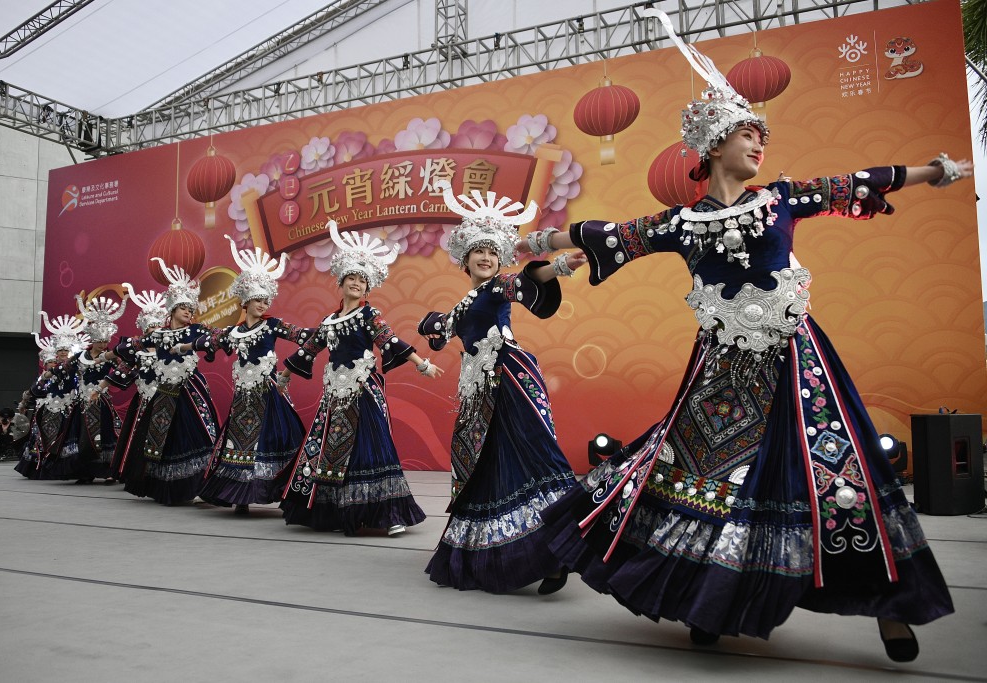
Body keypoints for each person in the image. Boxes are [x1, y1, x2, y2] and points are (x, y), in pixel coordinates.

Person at [535, 10, 969, 663]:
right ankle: (703, 599)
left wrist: (932, 171)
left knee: (838, 478)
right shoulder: (681, 223)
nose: (759, 144)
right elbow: (607, 234)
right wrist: (537, 242)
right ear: (713, 147)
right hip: (720, 376)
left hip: (799, 366)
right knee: (701, 481)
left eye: (761, 134)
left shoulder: (782, 199)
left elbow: (859, 182)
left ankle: (893, 608)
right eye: (746, 134)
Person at [419, 180, 585, 594]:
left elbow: (526, 283)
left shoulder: (498, 286)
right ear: (465, 260)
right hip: (477, 393)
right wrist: (430, 324)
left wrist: (561, 265)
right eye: (480, 250)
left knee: (533, 458)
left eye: (494, 251)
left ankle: (557, 549)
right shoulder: (461, 305)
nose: (487, 256)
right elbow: (436, 331)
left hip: (509, 378)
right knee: (482, 468)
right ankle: (504, 554)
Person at [281, 221, 442, 536]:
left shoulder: (370, 315)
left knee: (373, 446)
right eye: (351, 278)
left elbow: (390, 341)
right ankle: (337, 511)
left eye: (361, 280)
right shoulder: (328, 321)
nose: (356, 283)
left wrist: (421, 364)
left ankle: (390, 512)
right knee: (329, 449)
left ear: (368, 288)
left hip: (363, 389)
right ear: (341, 283)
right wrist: (285, 375)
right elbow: (309, 350)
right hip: (334, 395)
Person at [192, 236, 310, 513]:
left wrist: (329, 331)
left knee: (278, 438)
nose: (262, 304)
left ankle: (279, 489)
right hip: (243, 397)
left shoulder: (273, 326)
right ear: (245, 301)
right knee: (238, 444)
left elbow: (301, 335)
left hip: (268, 392)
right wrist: (184, 344)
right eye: (257, 300)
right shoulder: (233, 332)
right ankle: (239, 498)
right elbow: (210, 342)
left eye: (265, 299)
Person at [118, 265, 219, 505]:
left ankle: (198, 483)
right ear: (173, 309)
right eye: (184, 308)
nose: (188, 312)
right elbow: (127, 348)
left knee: (198, 434)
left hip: (190, 389)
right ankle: (168, 487)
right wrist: (107, 355)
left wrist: (204, 343)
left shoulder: (196, 329)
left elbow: (216, 339)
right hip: (164, 392)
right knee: (163, 438)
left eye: (191, 309)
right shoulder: (159, 335)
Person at [44, 294, 127, 484]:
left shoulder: (111, 356)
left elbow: (124, 368)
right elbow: (63, 368)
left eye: (106, 341)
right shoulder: (79, 356)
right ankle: (84, 471)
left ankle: (107, 471)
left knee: (106, 432)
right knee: (82, 434)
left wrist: (109, 380)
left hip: (102, 401)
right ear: (93, 339)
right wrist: (50, 374)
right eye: (100, 341)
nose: (104, 345)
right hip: (82, 401)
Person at [105, 286, 165, 492]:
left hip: (164, 399)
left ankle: (158, 475)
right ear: (145, 332)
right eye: (151, 330)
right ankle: (135, 473)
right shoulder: (138, 353)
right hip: (143, 401)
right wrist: (102, 385)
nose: (155, 333)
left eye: (158, 329)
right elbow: (123, 370)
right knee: (138, 436)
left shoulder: (168, 350)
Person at [26, 314, 86, 478]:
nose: (62, 354)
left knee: (63, 437)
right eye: (60, 351)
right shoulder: (49, 370)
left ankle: (60, 467)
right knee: (44, 436)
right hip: (49, 407)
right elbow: (37, 389)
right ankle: (41, 466)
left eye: (65, 351)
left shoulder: (74, 369)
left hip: (67, 407)